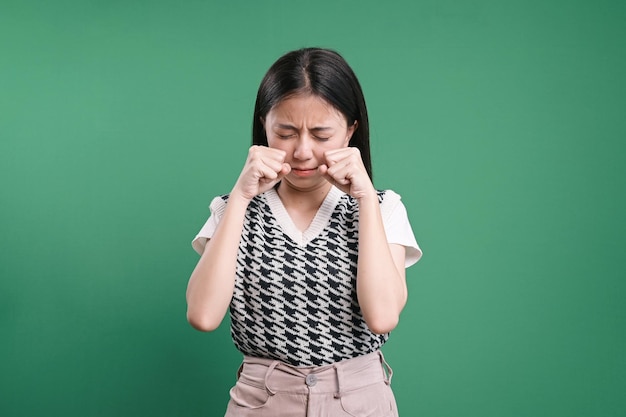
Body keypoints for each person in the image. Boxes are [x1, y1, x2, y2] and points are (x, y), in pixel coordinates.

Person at [186, 47, 422, 417]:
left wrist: (363, 199)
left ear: (351, 130)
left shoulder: (383, 208)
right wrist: (240, 198)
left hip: (359, 401)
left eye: (322, 134)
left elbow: (382, 317)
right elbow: (202, 315)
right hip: (261, 402)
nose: (303, 151)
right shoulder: (232, 208)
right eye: (286, 132)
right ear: (264, 125)